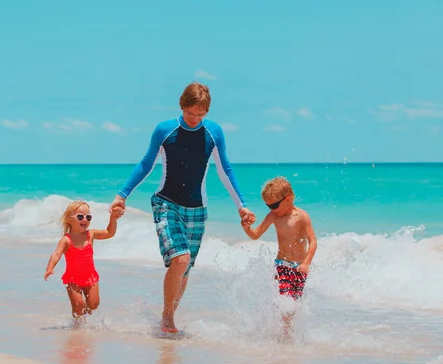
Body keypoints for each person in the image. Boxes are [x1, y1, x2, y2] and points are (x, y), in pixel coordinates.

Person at [108, 82, 254, 334]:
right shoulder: (165, 130)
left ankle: (169, 315)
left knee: (185, 269)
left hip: (197, 208)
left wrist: (242, 206)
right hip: (166, 202)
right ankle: (167, 318)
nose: (195, 119)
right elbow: (145, 164)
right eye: (190, 113)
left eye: (201, 114)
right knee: (180, 259)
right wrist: (122, 195)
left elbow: (225, 169)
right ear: (181, 106)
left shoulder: (214, 132)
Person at [241, 176, 317, 339]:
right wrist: (247, 228)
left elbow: (313, 241)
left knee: (293, 304)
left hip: (300, 268)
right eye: (268, 205)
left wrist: (306, 263)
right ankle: (283, 334)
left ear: (288, 198)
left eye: (274, 205)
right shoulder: (274, 216)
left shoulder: (302, 217)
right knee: (285, 301)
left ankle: (285, 333)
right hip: (282, 265)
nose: (271, 208)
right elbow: (256, 234)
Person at [44, 200, 122, 326]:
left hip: (90, 277)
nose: (84, 219)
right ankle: (77, 327)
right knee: (78, 304)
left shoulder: (90, 234)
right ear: (69, 219)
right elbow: (56, 254)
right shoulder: (66, 240)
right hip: (73, 278)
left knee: (94, 304)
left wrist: (113, 218)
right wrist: (50, 268)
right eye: (80, 216)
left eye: (88, 217)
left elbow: (109, 233)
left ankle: (83, 315)